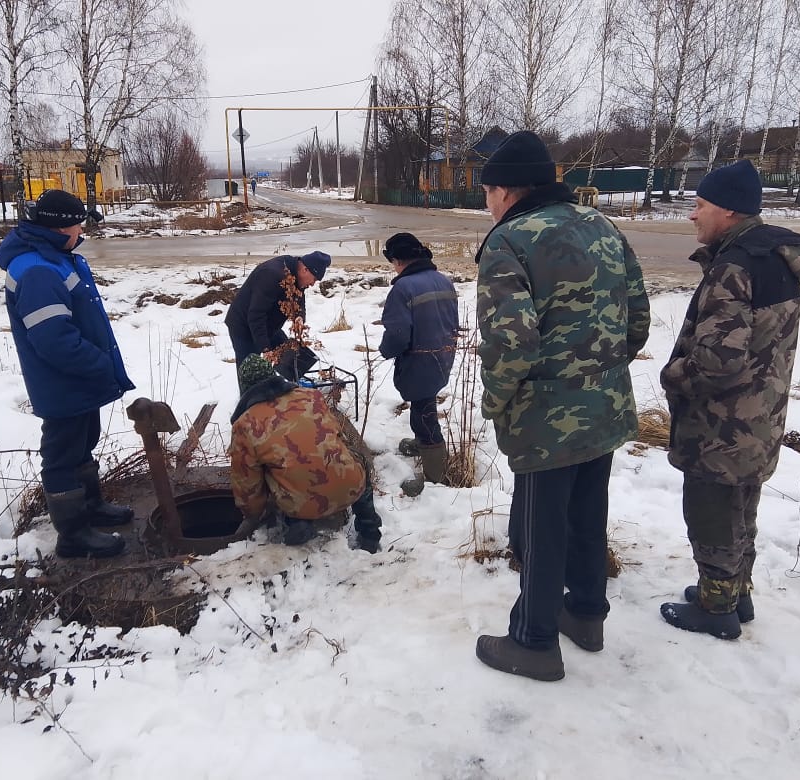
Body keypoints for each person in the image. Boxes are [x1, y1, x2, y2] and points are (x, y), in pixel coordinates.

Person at [472, 131, 650, 681]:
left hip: (545, 416)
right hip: (605, 406)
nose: (487, 204)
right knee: (586, 514)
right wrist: (598, 372)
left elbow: (511, 341)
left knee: (542, 525)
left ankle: (535, 641)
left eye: (487, 193)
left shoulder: (509, 241)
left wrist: (496, 401)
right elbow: (637, 319)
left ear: (503, 191)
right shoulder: (602, 225)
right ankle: (587, 616)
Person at [659, 160, 800, 640]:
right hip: (760, 416)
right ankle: (737, 591)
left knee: (712, 508)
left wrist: (673, 375)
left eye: (700, 205)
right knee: (741, 505)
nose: (693, 215)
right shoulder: (772, 258)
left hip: (723, 422)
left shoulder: (734, 266)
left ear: (728, 211)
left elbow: (718, 358)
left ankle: (717, 610)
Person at [0, 189, 135, 559]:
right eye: (78, 223)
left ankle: (91, 508)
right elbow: (54, 340)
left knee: (83, 442)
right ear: (60, 227)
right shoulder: (38, 269)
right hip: (63, 383)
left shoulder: (55, 256)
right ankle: (73, 535)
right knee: (62, 456)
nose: (82, 229)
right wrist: (100, 364)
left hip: (78, 380)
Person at [228, 354, 382, 553]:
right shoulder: (312, 397)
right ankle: (370, 532)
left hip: (298, 503)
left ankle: (298, 523)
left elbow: (247, 483)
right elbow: (337, 437)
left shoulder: (245, 425)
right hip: (351, 487)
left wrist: (253, 515)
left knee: (269, 469)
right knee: (355, 459)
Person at [378, 232, 459, 486]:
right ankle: (422, 443)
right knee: (424, 404)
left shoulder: (403, 288)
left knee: (424, 417)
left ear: (398, 260)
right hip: (443, 355)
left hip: (419, 359)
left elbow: (398, 334)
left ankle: (436, 477)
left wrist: (385, 350)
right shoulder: (443, 280)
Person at [225, 251, 331, 385]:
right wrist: (265, 348)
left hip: (268, 324)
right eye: (314, 279)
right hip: (243, 325)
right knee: (250, 372)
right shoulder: (272, 275)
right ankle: (249, 403)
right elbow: (256, 315)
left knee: (292, 357)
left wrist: (299, 317)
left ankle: (292, 388)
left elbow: (299, 296)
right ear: (305, 269)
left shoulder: (294, 273)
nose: (313, 284)